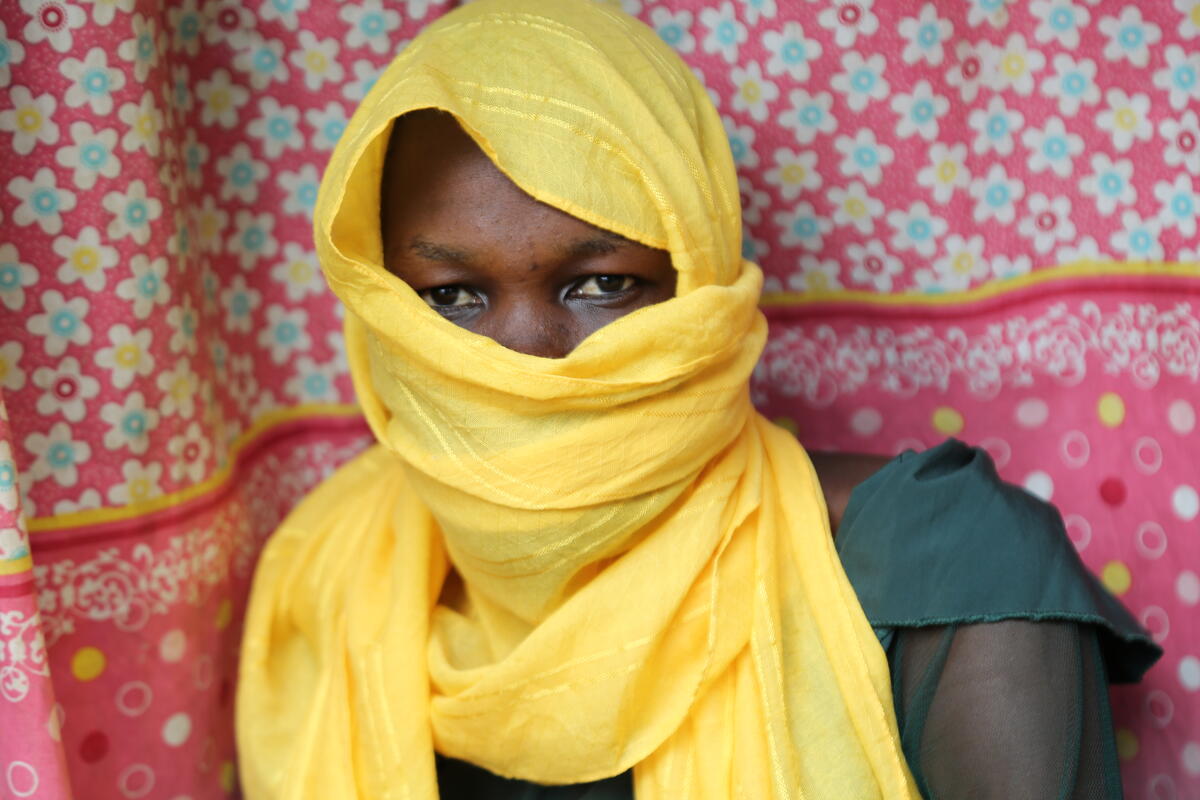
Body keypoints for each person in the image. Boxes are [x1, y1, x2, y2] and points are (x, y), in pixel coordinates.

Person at [235, 1, 1159, 798]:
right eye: (450, 297)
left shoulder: (944, 561)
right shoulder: (327, 579)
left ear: (699, 277)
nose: (529, 356)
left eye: (602, 283)